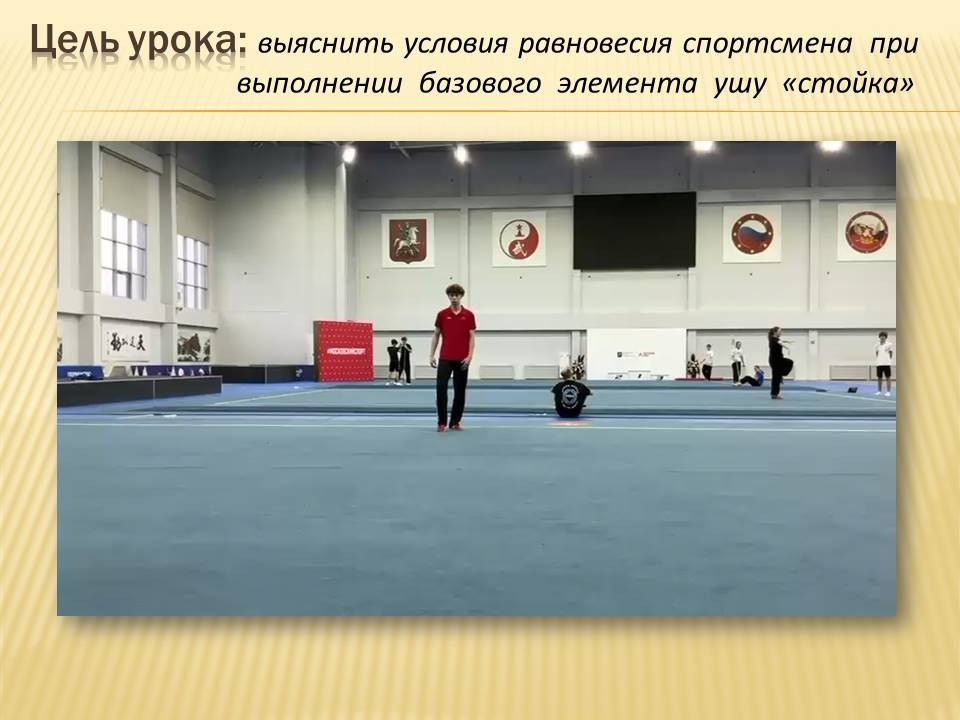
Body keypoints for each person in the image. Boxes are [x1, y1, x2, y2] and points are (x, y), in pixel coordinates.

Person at [429, 283, 476, 432]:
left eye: (457, 295)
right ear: (448, 296)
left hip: (462, 359)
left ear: (461, 296)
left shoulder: (469, 315)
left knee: (460, 391)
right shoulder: (442, 314)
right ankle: (441, 422)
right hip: (445, 358)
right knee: (441, 389)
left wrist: (470, 356)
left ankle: (455, 422)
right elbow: (436, 335)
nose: (454, 298)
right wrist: (431, 355)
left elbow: (472, 337)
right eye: (451, 295)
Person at [768, 326, 794, 399]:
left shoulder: (773, 339)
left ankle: (774, 393)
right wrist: (787, 348)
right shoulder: (774, 339)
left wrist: (787, 341)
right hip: (775, 360)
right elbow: (779, 342)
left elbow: (780, 341)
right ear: (775, 332)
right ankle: (774, 394)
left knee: (776, 376)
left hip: (778, 359)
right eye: (780, 331)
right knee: (776, 377)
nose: (781, 333)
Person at [874, 331, 894, 396]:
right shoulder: (877, 345)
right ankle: (879, 391)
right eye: (881, 336)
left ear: (886, 337)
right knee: (879, 378)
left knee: (888, 377)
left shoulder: (889, 344)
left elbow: (891, 354)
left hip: (887, 364)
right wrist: (880, 360)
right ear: (879, 337)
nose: (882, 337)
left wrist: (886, 360)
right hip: (879, 364)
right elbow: (877, 354)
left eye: (884, 336)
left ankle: (888, 392)